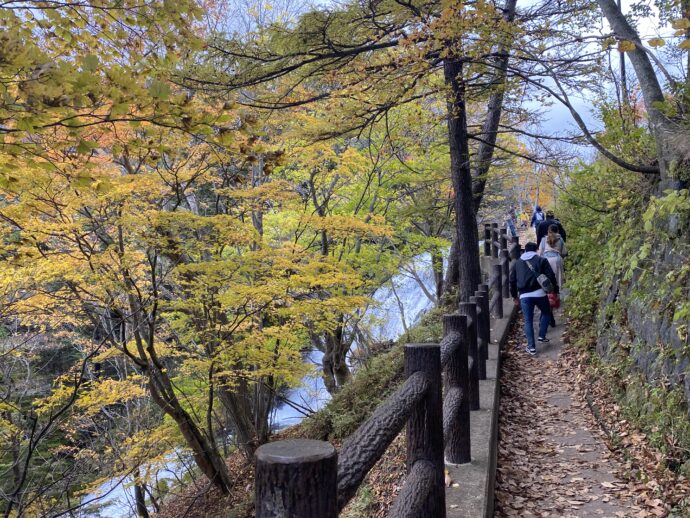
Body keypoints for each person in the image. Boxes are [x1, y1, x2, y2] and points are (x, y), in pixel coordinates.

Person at [510, 242, 559, 355]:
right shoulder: (541, 260)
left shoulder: (517, 263)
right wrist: (554, 290)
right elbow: (551, 276)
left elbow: (512, 281)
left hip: (524, 296)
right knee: (546, 313)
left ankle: (531, 347)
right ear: (536, 249)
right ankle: (541, 335)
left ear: (525, 250)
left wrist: (514, 296)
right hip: (540, 293)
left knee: (528, 320)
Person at [538, 224, 567, 289]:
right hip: (557, 259)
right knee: (558, 279)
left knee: (547, 279)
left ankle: (548, 296)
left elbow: (540, 253)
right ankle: (557, 295)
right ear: (558, 231)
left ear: (548, 231)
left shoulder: (543, 239)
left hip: (546, 259)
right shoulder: (560, 239)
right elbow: (564, 252)